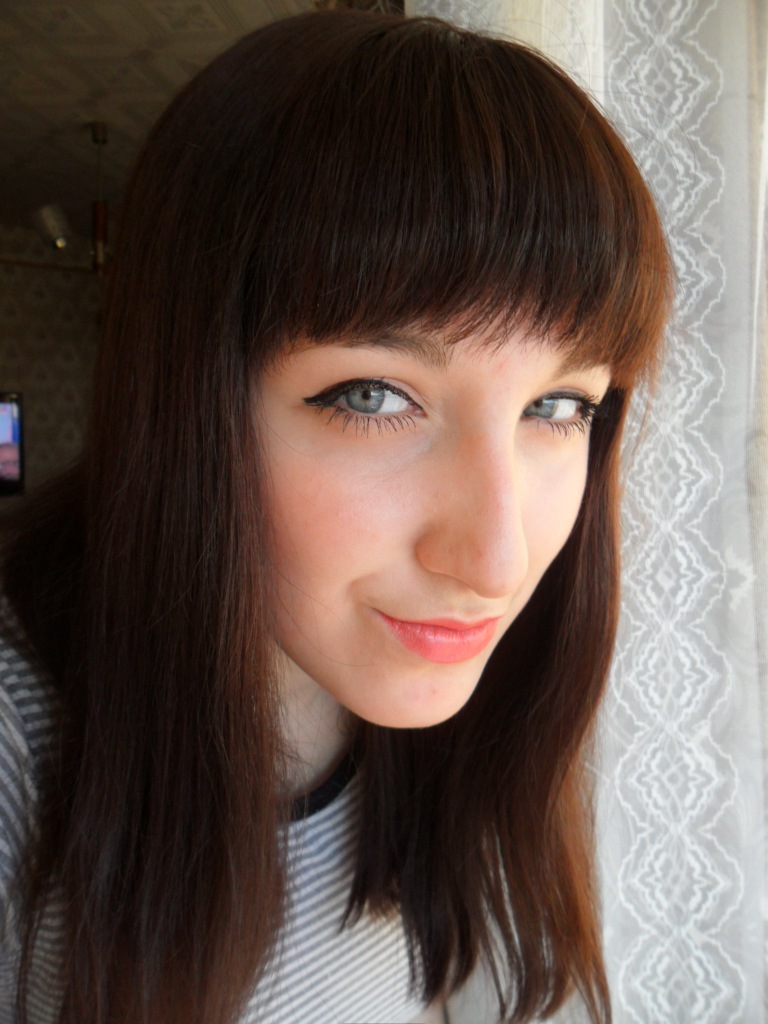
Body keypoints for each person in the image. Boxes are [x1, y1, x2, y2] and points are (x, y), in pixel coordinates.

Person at [0, 10, 672, 1024]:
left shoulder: (453, 721)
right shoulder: (22, 742)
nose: (496, 561)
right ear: (184, 401)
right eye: (372, 395)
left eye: (557, 407)